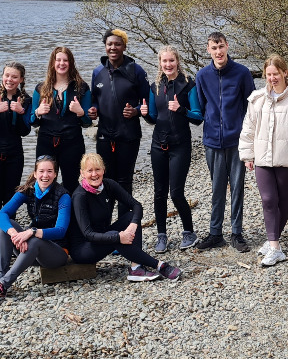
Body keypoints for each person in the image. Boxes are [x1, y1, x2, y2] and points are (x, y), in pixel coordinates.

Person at [239, 55, 288, 267]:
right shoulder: (257, 98)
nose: (272, 78)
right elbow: (248, 129)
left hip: (286, 160)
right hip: (262, 158)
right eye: (268, 75)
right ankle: (275, 246)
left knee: (282, 200)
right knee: (268, 200)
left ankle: (272, 241)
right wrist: (247, 155)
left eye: (276, 74)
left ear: (285, 73)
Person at [67, 153, 182, 281]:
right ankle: (160, 265)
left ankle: (136, 267)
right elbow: (88, 233)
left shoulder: (108, 185)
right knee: (115, 235)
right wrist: (118, 236)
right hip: (84, 249)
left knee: (131, 216)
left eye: (97, 169)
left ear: (103, 170)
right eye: (90, 171)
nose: (94, 174)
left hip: (103, 236)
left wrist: (133, 225)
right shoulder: (80, 196)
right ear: (82, 173)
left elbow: (136, 205)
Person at [0, 155, 72, 304]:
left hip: (57, 254)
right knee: (6, 226)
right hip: (30, 251)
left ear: (55, 174)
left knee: (34, 240)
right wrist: (14, 233)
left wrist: (32, 232)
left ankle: (3, 285)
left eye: (49, 171)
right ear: (35, 174)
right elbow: (1, 215)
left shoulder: (63, 196)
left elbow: (61, 230)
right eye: (41, 171)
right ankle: (0, 275)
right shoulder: (28, 190)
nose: (45, 175)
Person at [194, 32, 256, 252]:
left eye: (221, 46)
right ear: (208, 50)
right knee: (217, 187)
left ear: (227, 46)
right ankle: (215, 233)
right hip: (212, 140)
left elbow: (252, 107)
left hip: (237, 140)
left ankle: (237, 233)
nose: (218, 51)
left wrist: (250, 140)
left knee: (237, 187)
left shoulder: (242, 73)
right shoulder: (202, 76)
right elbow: (201, 107)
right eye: (214, 47)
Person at [139, 45, 204, 253]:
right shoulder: (155, 86)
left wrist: (181, 109)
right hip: (159, 144)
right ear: (160, 63)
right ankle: (161, 235)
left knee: (176, 193)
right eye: (164, 61)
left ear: (178, 61)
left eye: (171, 61)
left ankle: (189, 232)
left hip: (180, 145)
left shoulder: (188, 85)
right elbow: (154, 118)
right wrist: (144, 114)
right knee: (159, 193)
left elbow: (198, 117)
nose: (168, 64)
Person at [87, 30, 148, 219]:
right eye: (110, 44)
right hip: (105, 135)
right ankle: (105, 227)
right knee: (104, 181)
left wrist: (136, 110)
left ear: (124, 46)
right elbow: (94, 100)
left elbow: (148, 102)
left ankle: (124, 225)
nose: (113, 47)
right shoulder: (98, 72)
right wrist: (93, 110)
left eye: (118, 44)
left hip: (128, 135)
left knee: (124, 181)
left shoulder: (135, 70)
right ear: (105, 46)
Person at [0, 61, 32, 259]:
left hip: (14, 155)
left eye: (14, 77)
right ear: (2, 76)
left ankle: (10, 239)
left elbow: (25, 130)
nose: (9, 80)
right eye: (7, 76)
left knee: (11, 200)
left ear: (21, 80)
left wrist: (19, 112)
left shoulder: (25, 100)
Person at [33, 47, 92, 193]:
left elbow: (87, 122)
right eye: (58, 60)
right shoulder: (41, 88)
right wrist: (38, 112)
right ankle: (46, 214)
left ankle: (70, 215)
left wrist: (80, 112)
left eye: (65, 60)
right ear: (53, 63)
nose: (61, 63)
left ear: (71, 63)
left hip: (72, 142)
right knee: (44, 181)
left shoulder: (81, 87)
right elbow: (32, 121)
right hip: (46, 141)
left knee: (71, 182)